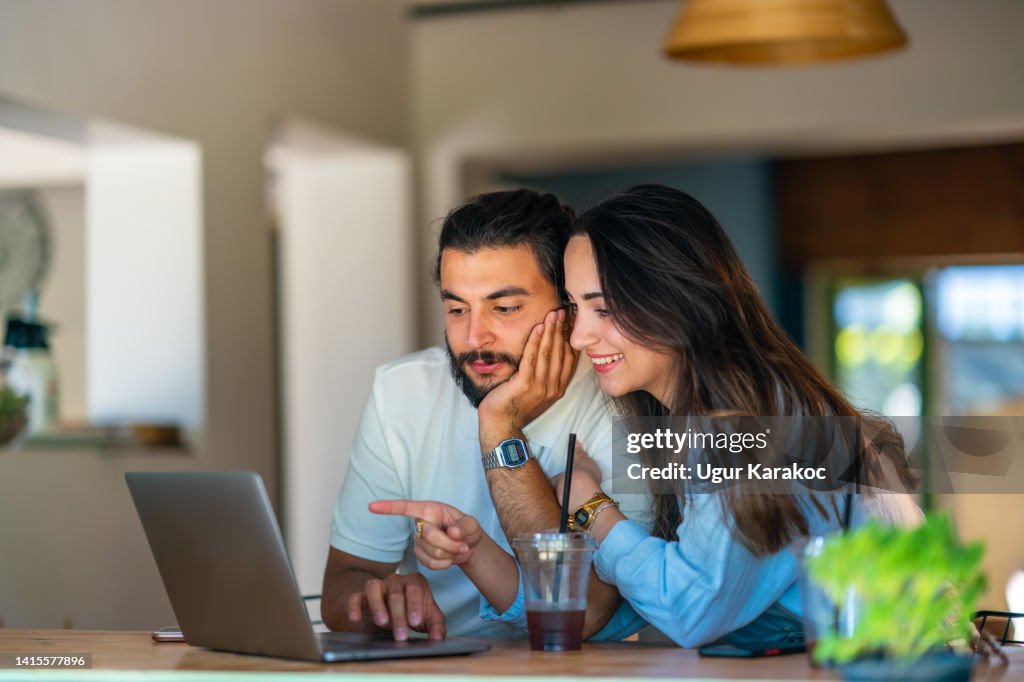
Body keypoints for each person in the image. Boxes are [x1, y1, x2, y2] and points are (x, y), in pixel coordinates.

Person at [380, 184, 920, 647]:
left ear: (674, 297)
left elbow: (690, 611)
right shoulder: (686, 423)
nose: (580, 335)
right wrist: (477, 549)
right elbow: (624, 611)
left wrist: (592, 507)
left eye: (605, 308)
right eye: (574, 308)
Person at [320, 189, 651, 642]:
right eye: (457, 308)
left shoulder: (626, 405)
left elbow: (585, 610)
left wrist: (500, 425)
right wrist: (377, 602)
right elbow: (345, 579)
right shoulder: (402, 391)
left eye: (505, 308)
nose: (475, 337)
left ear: (568, 307)